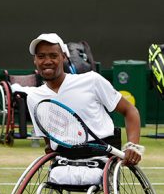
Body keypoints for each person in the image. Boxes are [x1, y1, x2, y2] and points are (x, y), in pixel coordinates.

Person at [25, 33, 142, 170]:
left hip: (102, 162)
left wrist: (133, 146)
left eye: (53, 56)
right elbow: (49, 141)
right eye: (41, 56)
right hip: (63, 165)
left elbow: (130, 110)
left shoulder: (92, 80)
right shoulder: (33, 97)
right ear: (35, 60)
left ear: (64, 57)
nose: (47, 61)